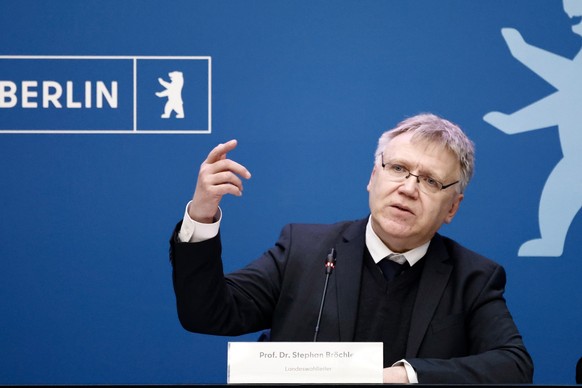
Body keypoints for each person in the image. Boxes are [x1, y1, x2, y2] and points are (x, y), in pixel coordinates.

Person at [170, 113, 534, 384]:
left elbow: (514, 366)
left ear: (452, 207)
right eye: (397, 168)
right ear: (372, 178)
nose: (408, 188)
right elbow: (207, 313)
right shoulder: (304, 249)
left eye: (431, 181)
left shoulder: (473, 277)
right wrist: (202, 213)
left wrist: (405, 377)